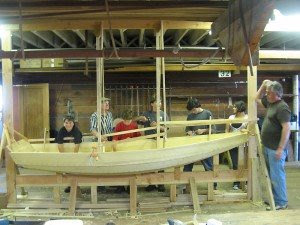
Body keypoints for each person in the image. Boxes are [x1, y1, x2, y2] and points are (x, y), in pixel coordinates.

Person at [256, 80, 291, 210]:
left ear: (276, 94)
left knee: (277, 176)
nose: (266, 95)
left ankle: (281, 202)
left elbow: (286, 128)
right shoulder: (271, 103)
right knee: (271, 175)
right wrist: (263, 85)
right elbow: (255, 98)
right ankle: (274, 199)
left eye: (269, 93)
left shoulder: (282, 107)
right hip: (268, 146)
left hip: (276, 149)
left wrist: (281, 148)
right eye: (266, 93)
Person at [136, 96, 169, 192]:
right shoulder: (146, 114)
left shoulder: (163, 114)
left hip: (160, 140)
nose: (159, 104)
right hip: (149, 140)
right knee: (150, 162)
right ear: (152, 104)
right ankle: (151, 184)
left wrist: (157, 126)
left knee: (161, 163)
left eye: (160, 102)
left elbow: (166, 129)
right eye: (157, 102)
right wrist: (140, 118)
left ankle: (161, 184)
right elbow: (135, 121)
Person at [183, 98, 217, 189]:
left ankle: (213, 185)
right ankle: (185, 185)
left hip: (205, 144)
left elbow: (213, 130)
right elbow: (187, 129)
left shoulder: (207, 114)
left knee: (208, 165)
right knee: (187, 165)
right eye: (191, 111)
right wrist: (189, 132)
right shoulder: (190, 116)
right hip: (193, 144)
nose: (193, 112)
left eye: (194, 110)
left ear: (198, 106)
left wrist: (204, 130)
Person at [113, 110, 141, 193]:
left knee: (131, 169)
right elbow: (115, 138)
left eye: (129, 120)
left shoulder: (134, 125)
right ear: (123, 119)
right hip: (122, 150)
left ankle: (130, 186)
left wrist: (132, 140)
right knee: (120, 168)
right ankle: (120, 186)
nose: (127, 122)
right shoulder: (119, 125)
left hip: (131, 150)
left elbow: (138, 137)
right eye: (125, 120)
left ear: (131, 119)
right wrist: (115, 148)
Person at [89, 97, 114, 192]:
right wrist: (100, 137)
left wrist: (112, 137)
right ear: (99, 105)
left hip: (108, 141)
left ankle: (108, 181)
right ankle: (99, 184)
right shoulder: (95, 116)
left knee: (108, 161)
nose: (107, 104)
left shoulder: (110, 114)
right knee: (98, 162)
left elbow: (111, 128)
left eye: (108, 102)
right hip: (98, 142)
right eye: (104, 103)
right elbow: (93, 130)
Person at [55, 115, 82, 193]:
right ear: (64, 124)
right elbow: (59, 145)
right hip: (65, 152)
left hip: (74, 152)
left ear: (73, 123)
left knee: (74, 169)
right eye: (66, 123)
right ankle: (70, 185)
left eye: (70, 123)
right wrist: (65, 158)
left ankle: (75, 185)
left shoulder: (76, 131)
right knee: (67, 170)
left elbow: (77, 145)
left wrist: (73, 157)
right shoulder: (61, 130)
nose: (68, 125)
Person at [225, 100, 248, 190]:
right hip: (233, 144)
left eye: (235, 107)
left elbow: (250, 130)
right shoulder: (231, 117)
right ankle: (236, 182)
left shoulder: (247, 118)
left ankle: (246, 181)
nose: (233, 108)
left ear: (240, 108)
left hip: (245, 145)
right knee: (235, 164)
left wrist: (245, 131)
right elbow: (227, 130)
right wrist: (227, 139)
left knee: (245, 164)